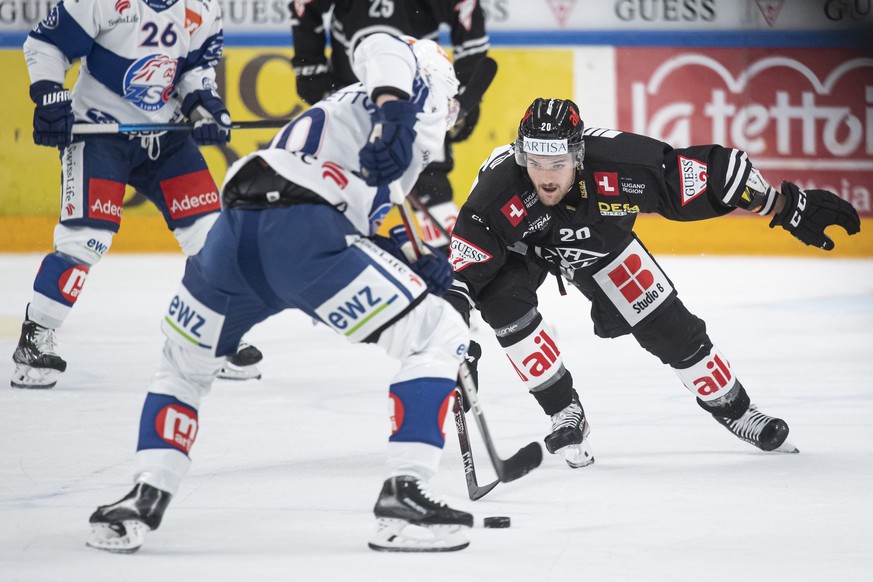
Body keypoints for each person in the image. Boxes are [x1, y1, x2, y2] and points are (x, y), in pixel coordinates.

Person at [86, 33, 474, 553]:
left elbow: (378, 209)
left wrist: (420, 259)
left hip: (235, 234)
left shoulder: (358, 122)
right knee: (439, 332)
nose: (449, 116)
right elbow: (382, 41)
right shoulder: (409, 90)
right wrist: (397, 111)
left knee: (182, 365)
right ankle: (407, 494)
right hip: (304, 238)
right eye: (450, 104)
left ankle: (145, 493)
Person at [444, 97, 861, 468]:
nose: (546, 176)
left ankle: (736, 409)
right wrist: (451, 340)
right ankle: (563, 410)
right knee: (502, 304)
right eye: (535, 163)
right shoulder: (498, 192)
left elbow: (716, 174)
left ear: (580, 155)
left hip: (600, 243)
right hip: (521, 248)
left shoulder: (621, 163)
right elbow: (461, 275)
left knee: (671, 331)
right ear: (521, 157)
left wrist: (783, 204)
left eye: (558, 163)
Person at [11, 0, 263, 389]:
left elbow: (195, 69)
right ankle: (35, 338)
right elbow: (46, 44)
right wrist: (47, 96)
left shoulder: (203, 7)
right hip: (98, 135)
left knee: (212, 238)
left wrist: (204, 108)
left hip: (167, 138)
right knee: (85, 241)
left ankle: (214, 337)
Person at [290, 0, 490, 252]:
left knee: (430, 185)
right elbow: (304, 6)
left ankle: (452, 273)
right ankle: (337, 256)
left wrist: (459, 91)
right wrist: (311, 68)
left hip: (419, 98)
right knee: (345, 185)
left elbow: (466, 13)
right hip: (355, 97)